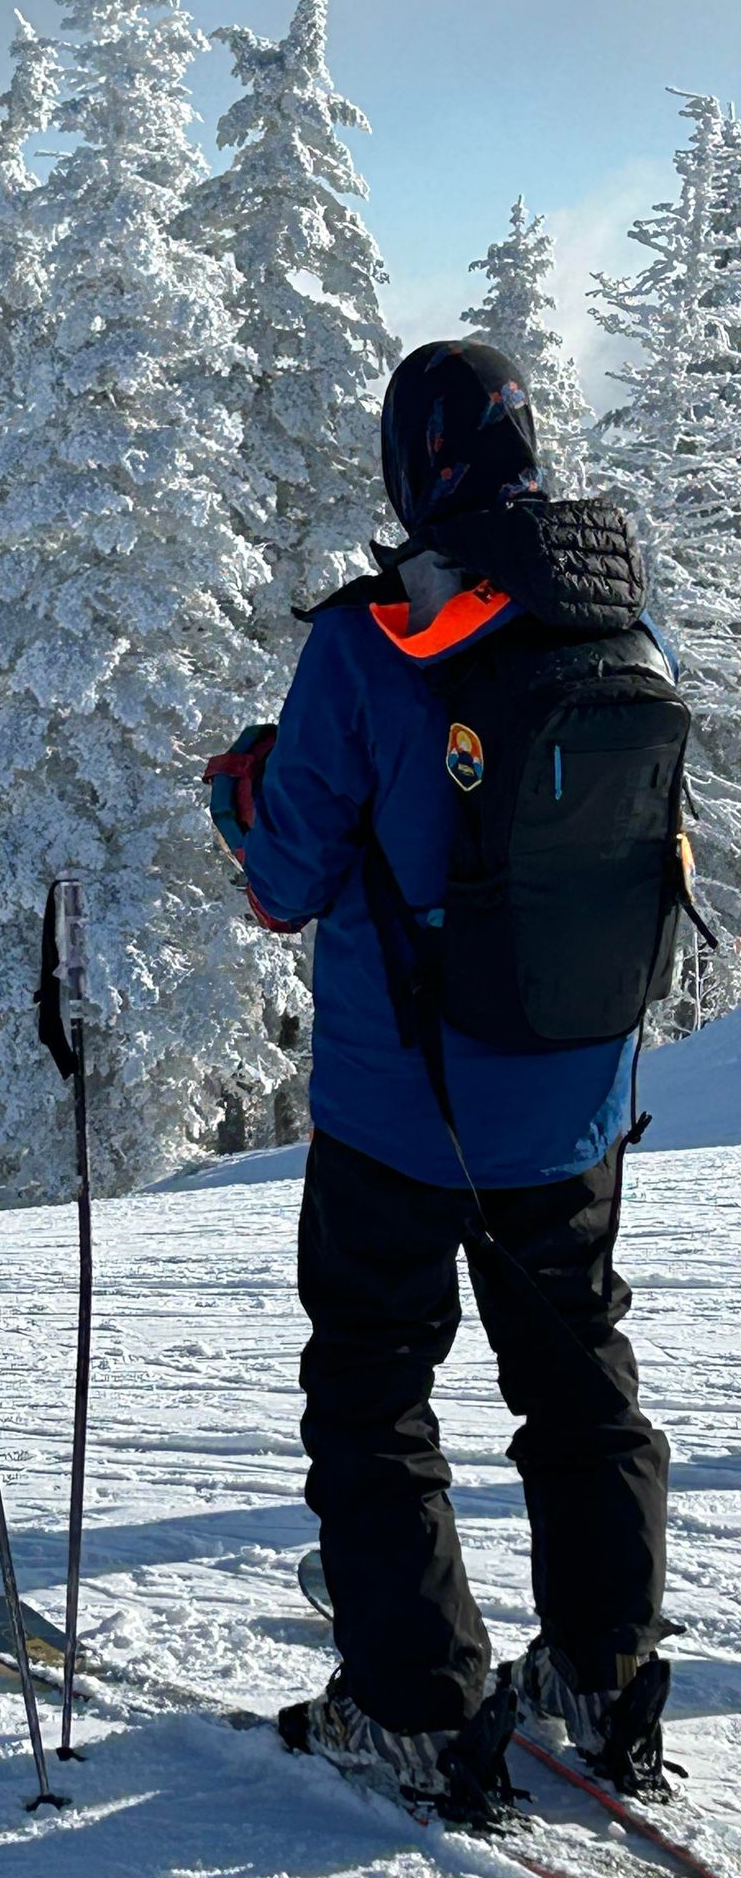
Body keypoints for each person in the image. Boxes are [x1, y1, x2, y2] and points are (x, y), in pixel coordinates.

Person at [208, 339, 681, 1824]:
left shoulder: (372, 640)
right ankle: (604, 1690)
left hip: (403, 1109)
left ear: (411, 473)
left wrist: (244, 791)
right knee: (578, 1381)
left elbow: (286, 880)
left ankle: (416, 1709)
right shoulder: (623, 614)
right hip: (578, 1096)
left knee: (373, 1395)